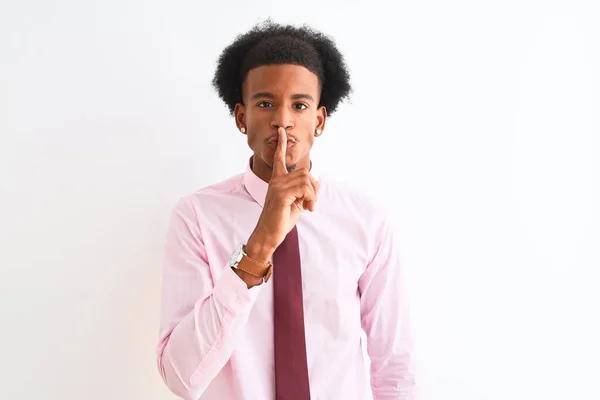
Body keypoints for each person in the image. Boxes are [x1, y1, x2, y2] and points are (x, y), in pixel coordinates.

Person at [156, 19, 417, 400]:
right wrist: (259, 245)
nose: (282, 120)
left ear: (319, 121)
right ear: (241, 117)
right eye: (265, 104)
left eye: (299, 104)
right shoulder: (196, 217)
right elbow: (182, 377)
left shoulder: (365, 220)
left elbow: (394, 365)